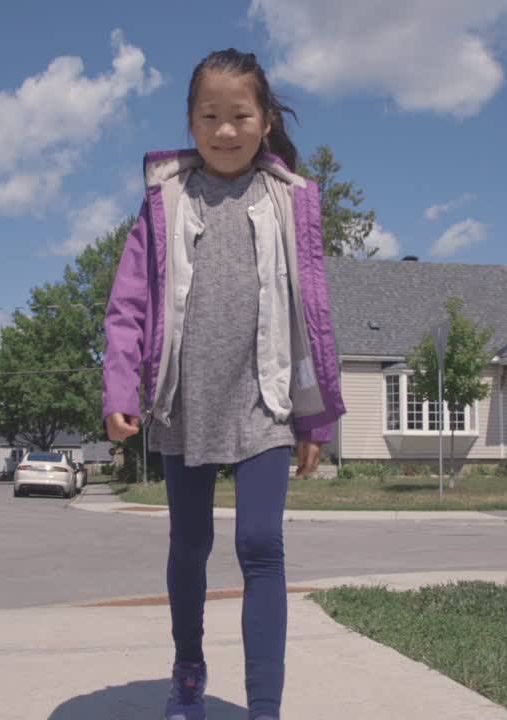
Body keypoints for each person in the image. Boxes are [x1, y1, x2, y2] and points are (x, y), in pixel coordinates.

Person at [102, 49, 345, 720]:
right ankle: (188, 667)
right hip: (185, 400)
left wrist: (314, 419)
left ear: (265, 121)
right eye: (210, 115)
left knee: (261, 547)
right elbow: (128, 307)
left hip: (264, 401)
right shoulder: (165, 201)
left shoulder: (290, 201)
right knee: (191, 546)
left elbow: (311, 318)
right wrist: (122, 387)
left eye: (240, 115)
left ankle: (264, 707)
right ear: (191, 121)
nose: (225, 129)